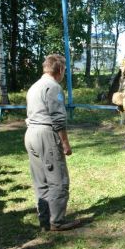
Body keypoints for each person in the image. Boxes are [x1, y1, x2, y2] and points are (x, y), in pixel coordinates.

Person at [24, 54, 81, 232]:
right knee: (58, 179)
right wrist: (65, 143)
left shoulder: (34, 86)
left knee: (40, 179)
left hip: (31, 134)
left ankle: (45, 220)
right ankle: (57, 221)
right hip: (45, 135)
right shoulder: (53, 87)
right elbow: (58, 119)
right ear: (61, 70)